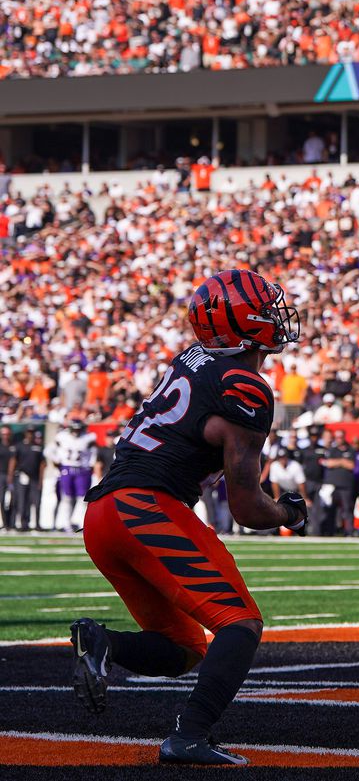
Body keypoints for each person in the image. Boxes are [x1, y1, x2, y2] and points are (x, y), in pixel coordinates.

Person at [71, 269, 305, 766]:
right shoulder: (246, 385)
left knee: (183, 648)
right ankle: (189, 737)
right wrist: (288, 512)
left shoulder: (191, 361)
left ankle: (101, 642)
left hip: (103, 516)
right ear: (244, 321)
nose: (278, 315)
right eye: (268, 307)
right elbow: (245, 507)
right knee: (239, 624)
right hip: (145, 507)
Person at [51, 419, 97, 532]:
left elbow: (94, 452)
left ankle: (80, 523)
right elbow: (50, 450)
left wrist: (90, 465)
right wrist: (57, 461)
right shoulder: (62, 437)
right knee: (66, 498)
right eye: (74, 429)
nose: (76, 432)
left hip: (82, 469)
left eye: (78, 429)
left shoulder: (88, 437)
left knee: (82, 498)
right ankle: (66, 524)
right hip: (67, 468)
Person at [321, 429, 358, 537]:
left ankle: (349, 531)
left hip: (346, 485)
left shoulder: (350, 449)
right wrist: (342, 462)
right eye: (337, 437)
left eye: (340, 437)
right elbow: (328, 463)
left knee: (347, 509)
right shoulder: (332, 449)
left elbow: (352, 465)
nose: (339, 439)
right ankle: (330, 531)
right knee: (330, 509)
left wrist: (337, 462)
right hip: (332, 485)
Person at [14, 428, 45, 530]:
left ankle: (37, 523)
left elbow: (42, 464)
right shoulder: (19, 446)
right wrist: (12, 476)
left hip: (35, 478)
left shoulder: (38, 447)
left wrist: (41, 480)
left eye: (32, 433)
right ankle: (24, 524)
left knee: (36, 502)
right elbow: (13, 461)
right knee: (23, 501)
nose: (30, 435)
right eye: (29, 432)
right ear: (25, 434)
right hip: (22, 476)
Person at [0, 425, 16, 531]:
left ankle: (11, 523)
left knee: (13, 500)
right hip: (1, 476)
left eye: (7, 433)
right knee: (1, 500)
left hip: (13, 477)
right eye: (3, 434)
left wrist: (11, 475)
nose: (5, 436)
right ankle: (4, 523)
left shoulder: (14, 446)